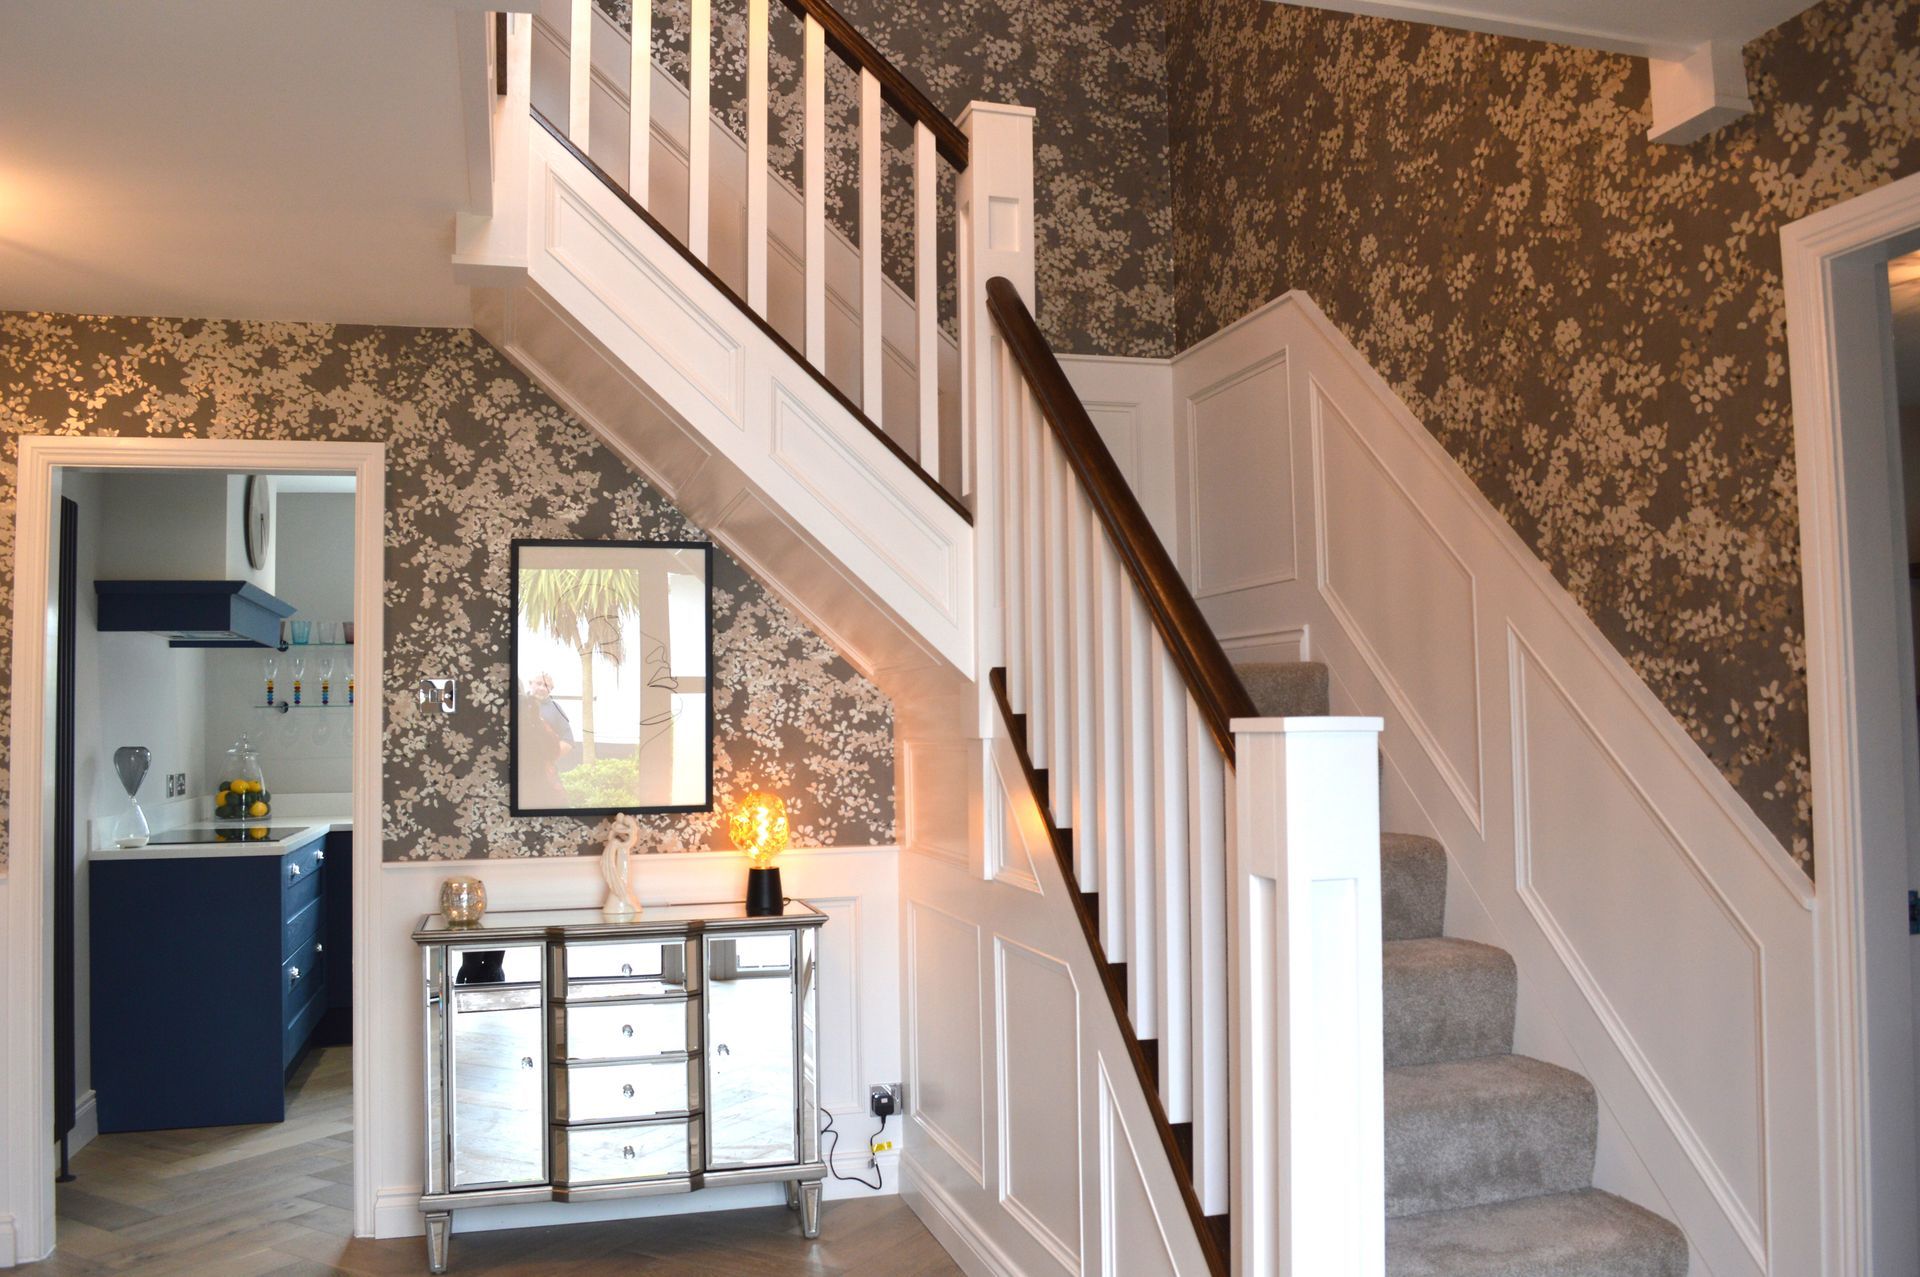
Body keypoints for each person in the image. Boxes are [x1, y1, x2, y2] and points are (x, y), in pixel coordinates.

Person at [528, 672, 579, 772]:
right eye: (539, 683)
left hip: (542, 769)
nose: (542, 688)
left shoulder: (556, 709)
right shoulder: (518, 702)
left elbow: (568, 741)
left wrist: (548, 758)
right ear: (530, 684)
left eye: (546, 686)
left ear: (551, 689)